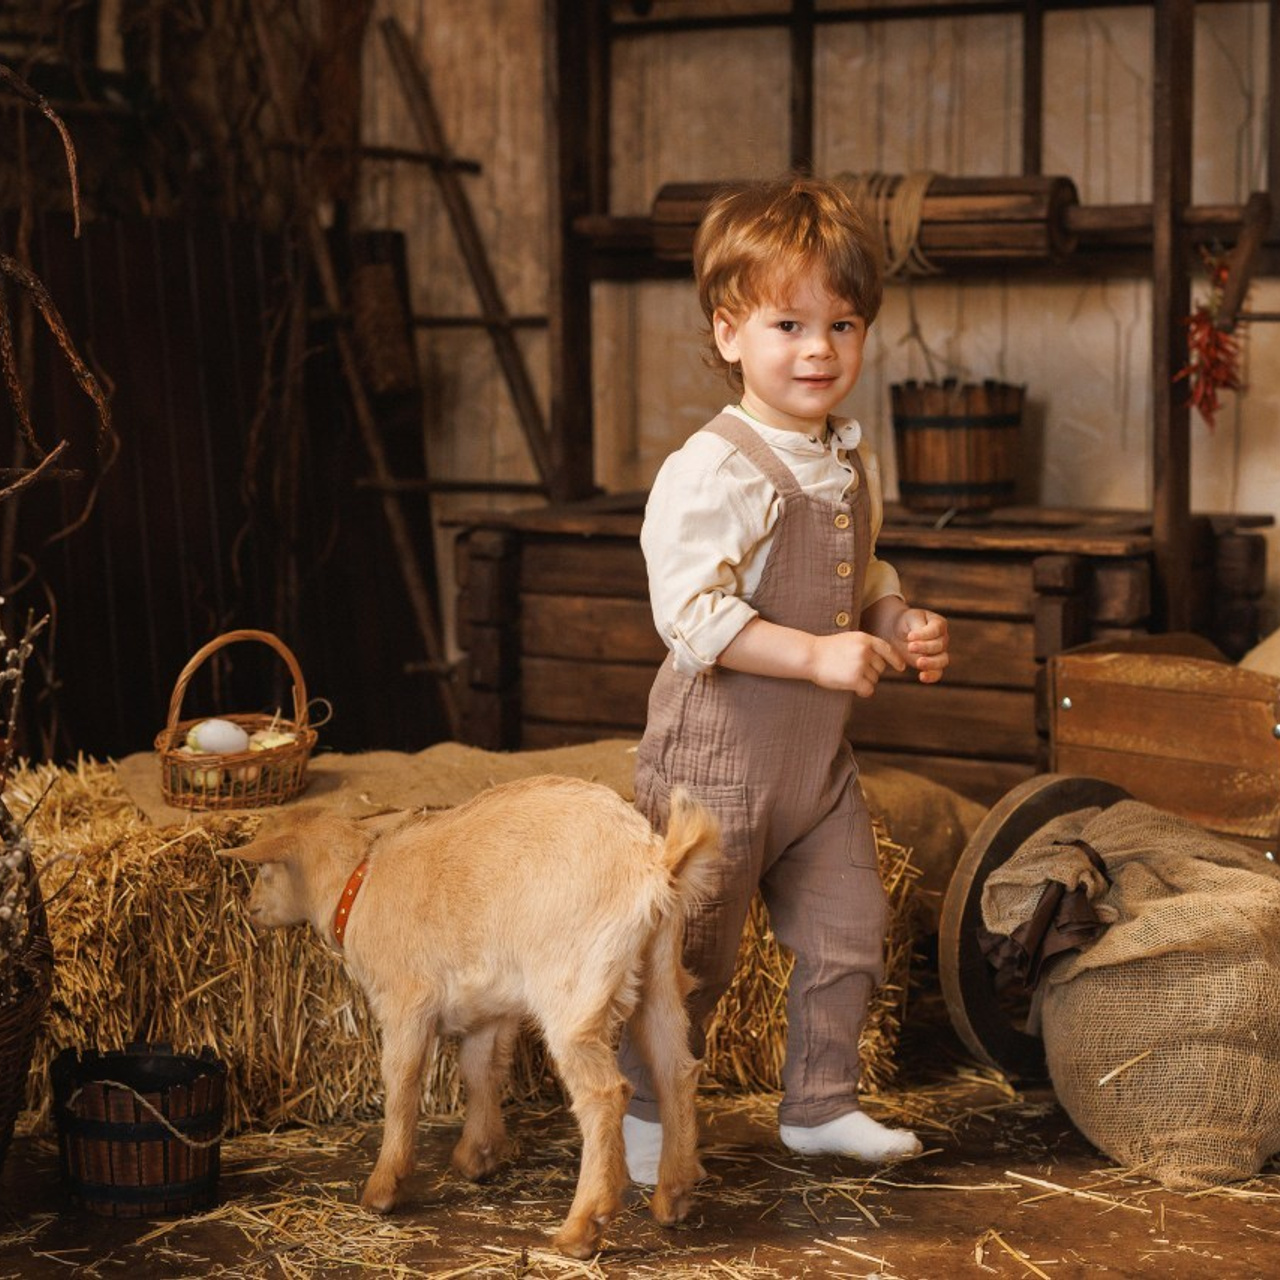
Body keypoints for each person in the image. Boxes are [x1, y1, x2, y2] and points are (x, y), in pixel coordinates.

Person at [619, 174, 950, 1183]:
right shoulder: (713, 468)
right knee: (694, 956)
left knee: (850, 927)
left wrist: (895, 617)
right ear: (729, 333)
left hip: (813, 768)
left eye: (841, 323)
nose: (818, 349)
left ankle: (817, 1104)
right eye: (788, 322)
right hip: (715, 764)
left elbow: (863, 573)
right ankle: (640, 1112)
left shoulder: (848, 461)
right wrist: (812, 654)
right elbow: (688, 614)